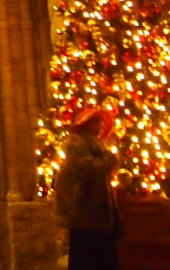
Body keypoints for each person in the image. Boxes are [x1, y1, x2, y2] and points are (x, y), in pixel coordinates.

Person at [54, 107, 119, 270]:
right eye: (98, 122)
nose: (101, 127)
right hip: (84, 211)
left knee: (98, 254)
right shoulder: (76, 143)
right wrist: (110, 160)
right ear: (88, 124)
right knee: (86, 255)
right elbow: (88, 168)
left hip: (95, 213)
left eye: (103, 123)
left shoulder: (95, 144)